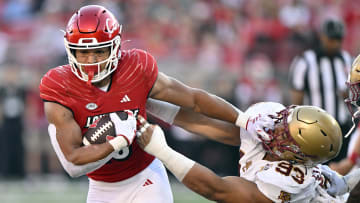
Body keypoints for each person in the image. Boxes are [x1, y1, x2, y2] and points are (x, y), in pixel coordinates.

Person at [39, 5, 272, 203]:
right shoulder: (59, 86)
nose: (91, 61)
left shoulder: (135, 69)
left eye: (100, 51)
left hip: (144, 177)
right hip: (101, 187)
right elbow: (73, 161)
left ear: (116, 46)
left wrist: (244, 119)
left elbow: (193, 100)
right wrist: (117, 140)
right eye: (83, 53)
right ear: (71, 51)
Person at [140, 100, 359, 202]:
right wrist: (148, 104)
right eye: (285, 120)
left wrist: (162, 151)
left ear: (296, 156)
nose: (278, 127)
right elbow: (203, 122)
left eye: (285, 133)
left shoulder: (286, 185)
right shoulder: (272, 131)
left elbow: (216, 189)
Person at [288, 18, 352, 162]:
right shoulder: (305, 61)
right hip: (314, 128)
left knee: (342, 174)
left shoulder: (348, 60)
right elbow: (296, 100)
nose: (335, 44)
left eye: (338, 39)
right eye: (331, 39)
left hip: (342, 127)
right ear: (322, 37)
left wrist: (349, 95)